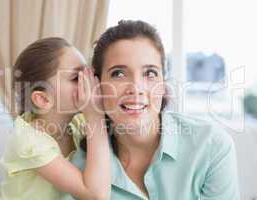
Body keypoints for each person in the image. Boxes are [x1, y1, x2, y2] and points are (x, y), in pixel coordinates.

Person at [67, 20, 240, 200]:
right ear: (96, 85)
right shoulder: (81, 169)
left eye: (150, 73)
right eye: (118, 73)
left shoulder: (211, 147)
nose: (136, 87)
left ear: (163, 83)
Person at [0, 37, 111, 200]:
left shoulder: (77, 122)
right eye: (76, 78)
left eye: (88, 73)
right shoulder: (28, 141)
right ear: (44, 99)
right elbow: (96, 195)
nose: (88, 81)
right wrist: (95, 116)